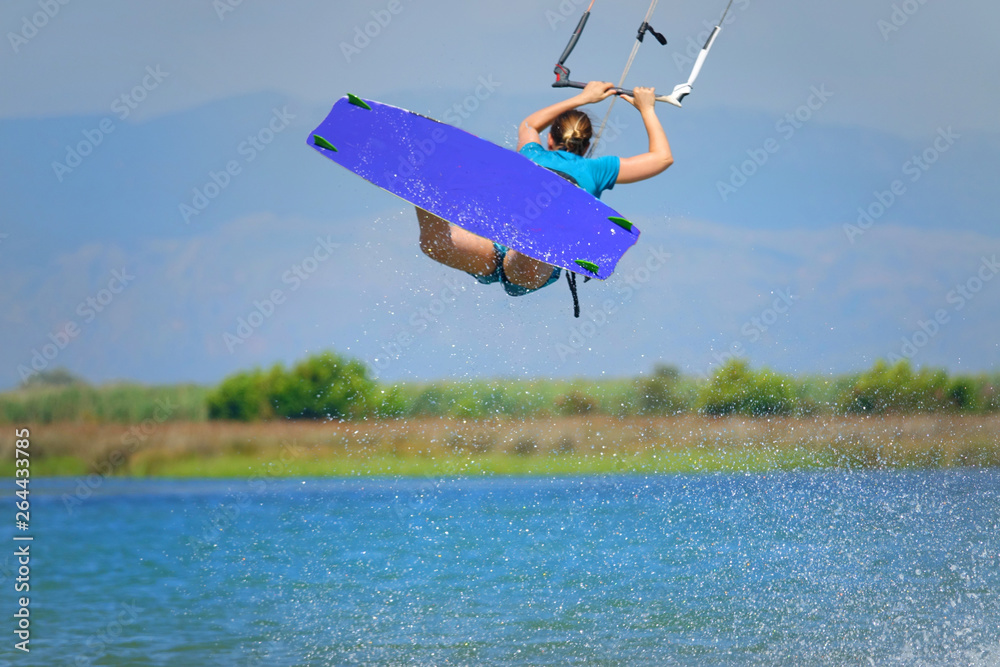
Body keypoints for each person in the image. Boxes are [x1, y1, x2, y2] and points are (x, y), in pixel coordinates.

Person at [416, 80, 673, 297]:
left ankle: (425, 183)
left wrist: (583, 97)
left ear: (550, 138)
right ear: (586, 145)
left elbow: (529, 125)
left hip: (508, 249)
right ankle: (540, 228)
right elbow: (662, 158)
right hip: (524, 264)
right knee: (514, 250)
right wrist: (647, 108)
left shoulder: (531, 154)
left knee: (437, 244)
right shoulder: (597, 170)